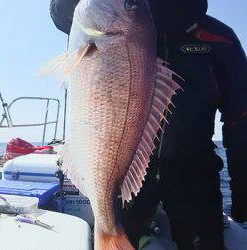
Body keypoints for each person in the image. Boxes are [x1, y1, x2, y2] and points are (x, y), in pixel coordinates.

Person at [50, 0, 247, 249]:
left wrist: (243, 190)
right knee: (121, 231)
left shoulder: (219, 38)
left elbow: (241, 118)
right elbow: (60, 14)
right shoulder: (117, 16)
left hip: (194, 171)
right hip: (126, 176)